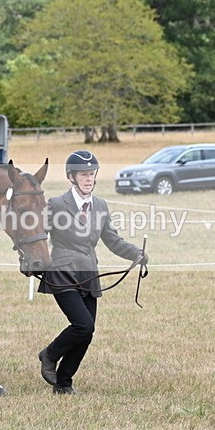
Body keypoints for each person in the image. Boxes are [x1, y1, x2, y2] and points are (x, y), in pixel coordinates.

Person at [37, 150, 149, 395]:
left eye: (91, 174)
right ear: (71, 177)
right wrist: (32, 260)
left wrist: (136, 253)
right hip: (63, 272)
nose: (88, 179)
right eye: (83, 174)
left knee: (87, 334)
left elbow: (112, 240)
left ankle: (63, 383)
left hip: (89, 274)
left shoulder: (100, 206)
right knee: (83, 325)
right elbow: (39, 234)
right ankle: (50, 354)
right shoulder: (56, 204)